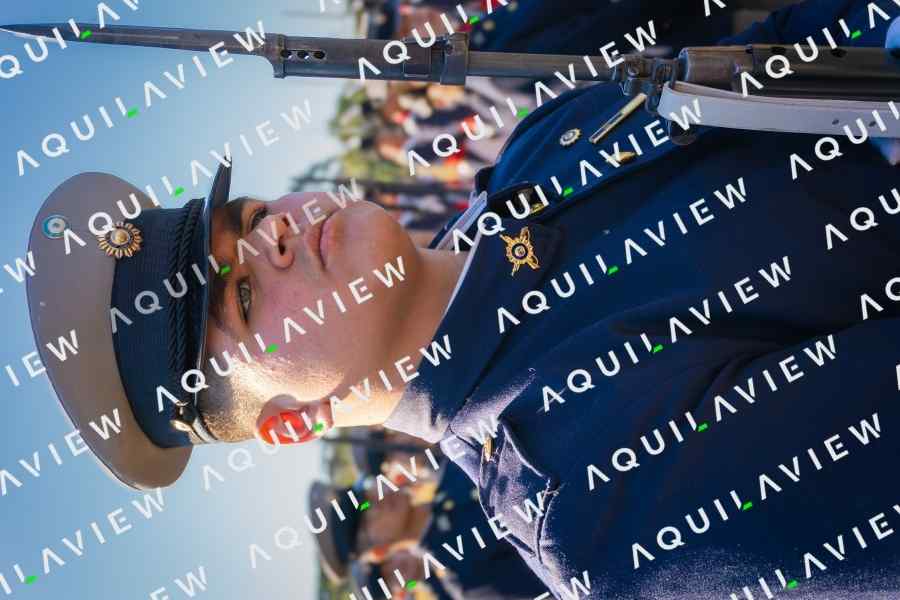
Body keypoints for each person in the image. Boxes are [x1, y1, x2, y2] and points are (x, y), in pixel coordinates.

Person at [24, 0, 900, 597]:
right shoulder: (601, 511)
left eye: (248, 218)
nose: (272, 235)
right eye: (244, 294)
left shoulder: (537, 146)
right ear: (290, 423)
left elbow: (804, 51)